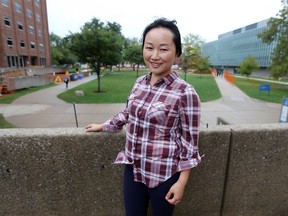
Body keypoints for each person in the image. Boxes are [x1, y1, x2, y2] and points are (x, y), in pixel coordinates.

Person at [85, 18, 201, 216]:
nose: (155, 56)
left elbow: (189, 143)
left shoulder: (185, 93)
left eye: (163, 49)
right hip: (133, 168)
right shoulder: (139, 82)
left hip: (163, 175)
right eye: (149, 48)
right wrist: (103, 126)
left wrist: (181, 182)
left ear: (177, 53)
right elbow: (128, 113)